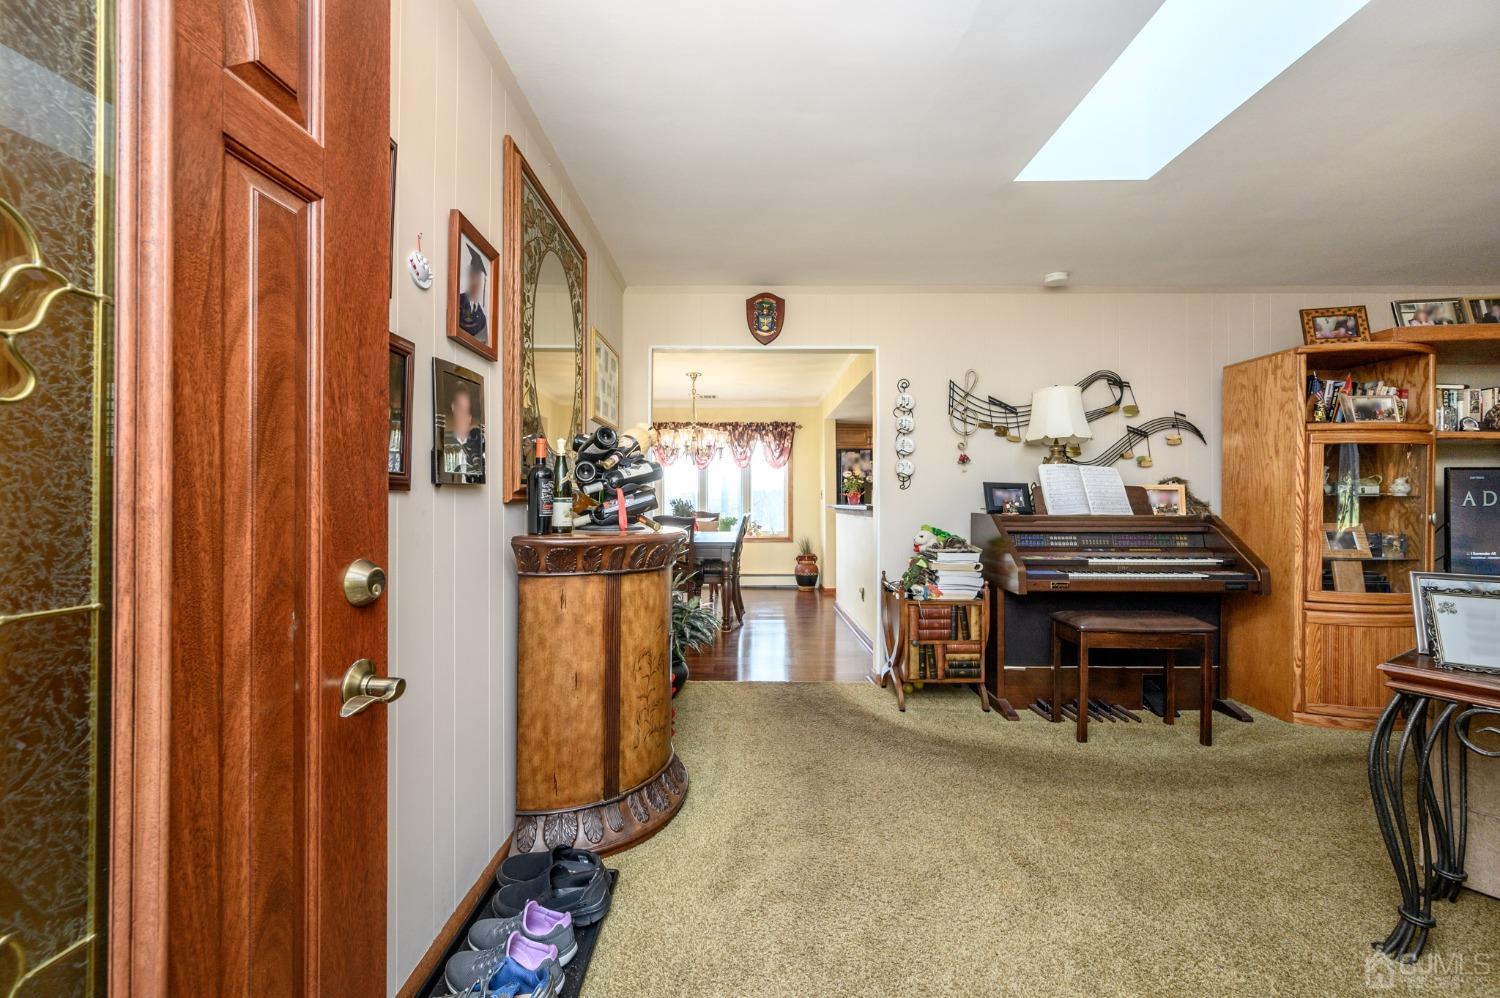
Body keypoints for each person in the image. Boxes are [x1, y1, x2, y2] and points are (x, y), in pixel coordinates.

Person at [445, 383, 484, 479]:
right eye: (459, 409)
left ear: (470, 417)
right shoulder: (446, 443)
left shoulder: (478, 443)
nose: (462, 416)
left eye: (466, 411)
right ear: (453, 408)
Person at [457, 245, 488, 342]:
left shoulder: (482, 318)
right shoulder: (457, 302)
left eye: (478, 277)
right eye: (471, 276)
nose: (475, 282)